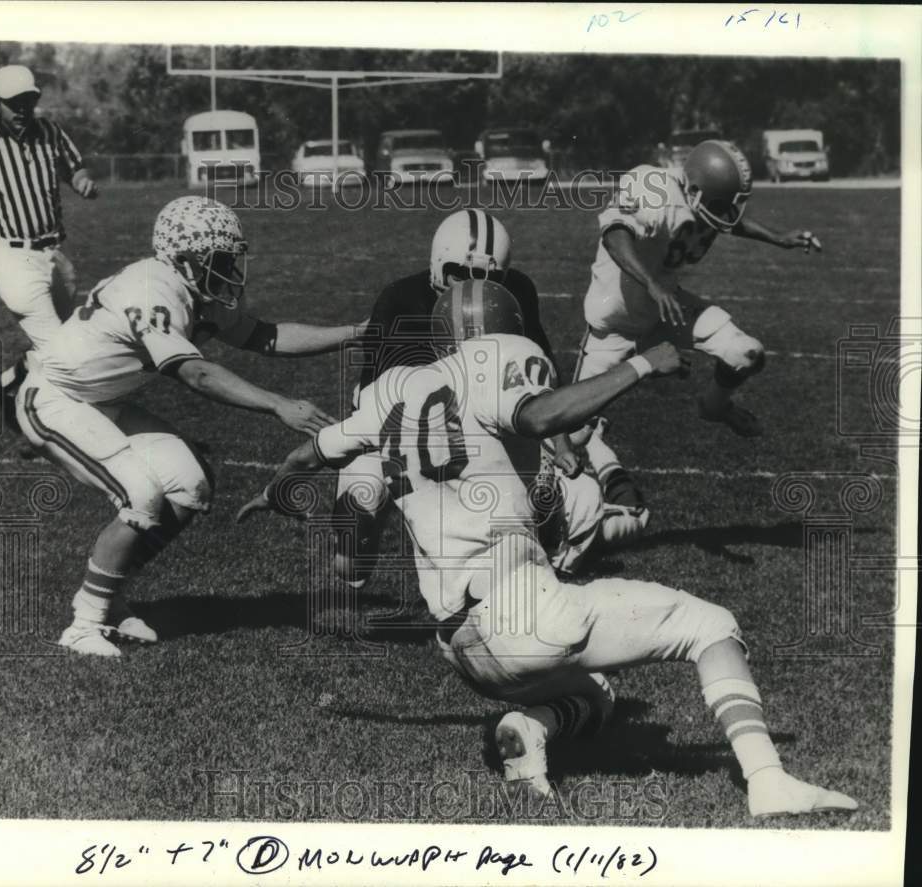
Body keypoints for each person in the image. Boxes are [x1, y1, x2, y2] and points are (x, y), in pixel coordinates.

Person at [240, 278, 857, 818]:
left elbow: (316, 452)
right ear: (505, 332)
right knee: (711, 625)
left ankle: (527, 736)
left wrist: (276, 491)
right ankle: (769, 781)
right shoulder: (500, 358)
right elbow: (535, 418)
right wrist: (641, 366)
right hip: (526, 616)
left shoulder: (394, 391)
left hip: (461, 648)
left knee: (594, 694)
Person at [16, 195, 364, 658]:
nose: (231, 269)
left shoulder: (195, 289)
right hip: (54, 398)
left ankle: (106, 599)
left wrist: (354, 333)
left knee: (189, 485)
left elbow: (266, 336)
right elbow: (195, 373)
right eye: (220, 260)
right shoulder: (153, 288)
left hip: (103, 401)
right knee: (141, 495)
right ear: (184, 260)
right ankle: (83, 625)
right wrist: (279, 404)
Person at [333, 209, 642, 589]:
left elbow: (540, 369)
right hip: (397, 429)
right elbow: (383, 409)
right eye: (459, 274)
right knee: (352, 555)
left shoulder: (517, 294)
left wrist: (559, 442)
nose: (472, 286)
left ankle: (546, 572)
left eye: (490, 279)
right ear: (436, 267)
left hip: (489, 423)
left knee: (577, 497)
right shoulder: (403, 301)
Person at [575, 139, 823, 437]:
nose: (727, 213)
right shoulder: (653, 186)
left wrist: (779, 238)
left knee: (747, 353)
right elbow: (614, 235)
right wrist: (651, 283)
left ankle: (714, 407)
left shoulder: (702, 200)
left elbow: (728, 220)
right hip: (614, 325)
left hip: (668, 309)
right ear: (693, 190)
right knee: (575, 433)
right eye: (721, 204)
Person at [0, 64, 98, 427]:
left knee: (57, 340)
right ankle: (53, 425)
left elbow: (76, 166)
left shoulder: (50, 131)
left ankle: (6, 383)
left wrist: (83, 181)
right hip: (10, 256)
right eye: (15, 103)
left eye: (29, 101)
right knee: (64, 351)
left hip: (55, 254)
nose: (23, 109)